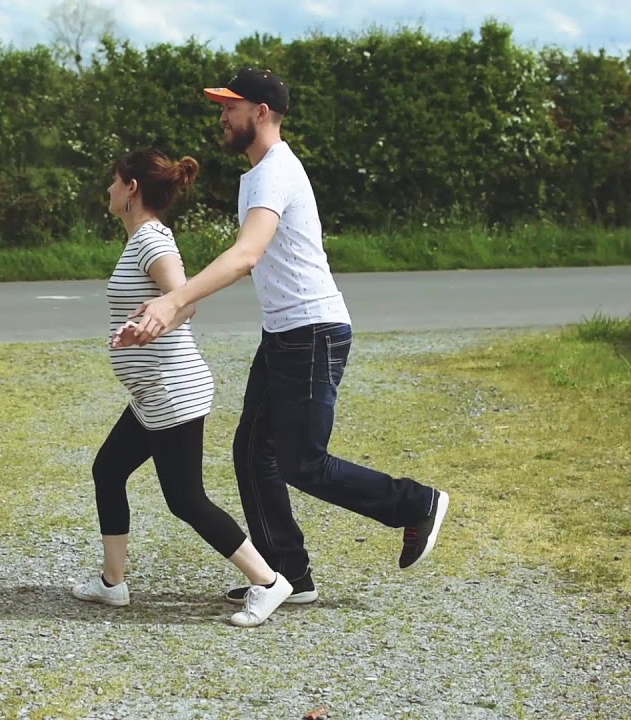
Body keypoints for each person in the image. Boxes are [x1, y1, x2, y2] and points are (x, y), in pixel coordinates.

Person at [118, 69, 450, 605]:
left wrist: (173, 299)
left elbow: (247, 255)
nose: (222, 117)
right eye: (222, 107)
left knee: (304, 461)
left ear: (262, 112)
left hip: (313, 330)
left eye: (231, 107)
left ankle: (415, 504)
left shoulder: (274, 171)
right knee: (252, 455)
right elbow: (253, 261)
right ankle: (287, 575)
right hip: (285, 334)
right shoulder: (256, 176)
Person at [71, 148, 293, 628]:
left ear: (131, 188)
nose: (107, 189)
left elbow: (184, 303)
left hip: (173, 391)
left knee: (185, 499)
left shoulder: (152, 241)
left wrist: (150, 325)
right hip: (152, 393)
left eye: (114, 181)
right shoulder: (141, 241)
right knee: (108, 469)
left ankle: (270, 582)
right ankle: (113, 585)